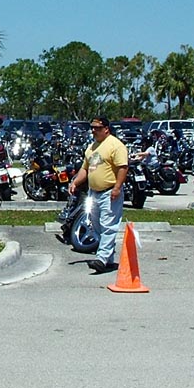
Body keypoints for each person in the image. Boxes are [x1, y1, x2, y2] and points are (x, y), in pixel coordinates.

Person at [67, 116, 129, 273]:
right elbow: (85, 169)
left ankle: (101, 259)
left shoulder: (115, 145)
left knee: (108, 225)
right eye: (92, 128)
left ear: (106, 129)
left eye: (97, 128)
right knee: (96, 226)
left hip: (110, 192)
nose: (94, 130)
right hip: (94, 193)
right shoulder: (92, 147)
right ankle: (108, 259)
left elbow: (123, 167)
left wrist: (117, 188)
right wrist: (75, 182)